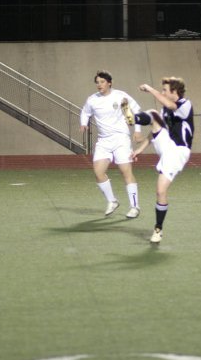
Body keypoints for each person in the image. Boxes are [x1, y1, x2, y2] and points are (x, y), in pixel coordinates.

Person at [121, 76, 194, 243]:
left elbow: (170, 104)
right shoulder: (165, 110)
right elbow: (154, 132)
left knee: (161, 191)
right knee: (154, 114)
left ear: (174, 92)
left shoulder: (185, 104)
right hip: (166, 144)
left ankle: (158, 229)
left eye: (164, 91)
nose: (162, 93)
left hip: (178, 151)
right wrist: (138, 150)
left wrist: (150, 89)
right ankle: (133, 118)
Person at [80, 70, 143, 218]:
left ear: (110, 83)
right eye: (97, 82)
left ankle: (135, 206)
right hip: (103, 140)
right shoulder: (92, 100)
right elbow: (85, 112)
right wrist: (83, 123)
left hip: (121, 138)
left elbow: (136, 111)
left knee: (125, 172)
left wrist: (138, 130)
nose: (99, 85)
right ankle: (112, 201)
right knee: (98, 172)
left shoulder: (121, 96)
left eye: (102, 82)